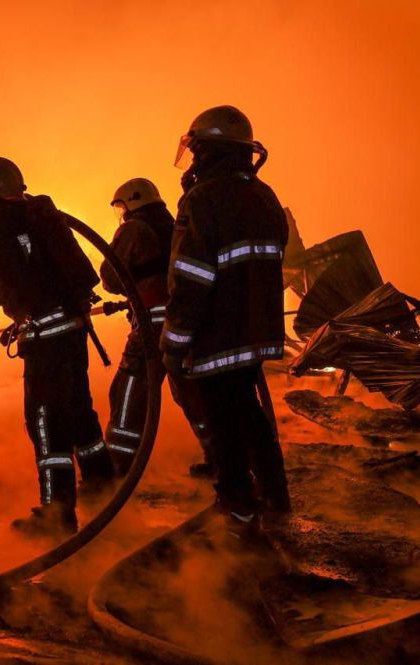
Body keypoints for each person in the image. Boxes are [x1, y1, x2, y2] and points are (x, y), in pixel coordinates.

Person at [0, 156, 116, 537]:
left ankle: (57, 516)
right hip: (72, 328)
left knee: (44, 422)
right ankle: (103, 480)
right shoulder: (40, 214)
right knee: (76, 407)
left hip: (45, 337)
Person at [161, 106, 292, 540]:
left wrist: (175, 341)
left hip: (217, 334)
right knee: (250, 414)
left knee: (223, 426)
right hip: (257, 333)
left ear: (208, 151)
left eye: (196, 151)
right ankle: (276, 495)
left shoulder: (202, 201)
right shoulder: (263, 195)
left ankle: (237, 512)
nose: (193, 160)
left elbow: (191, 279)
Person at [99, 178, 213, 478]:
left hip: (152, 326)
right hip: (185, 323)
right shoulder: (176, 226)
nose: (121, 212)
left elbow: (110, 277)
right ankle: (219, 457)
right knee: (192, 392)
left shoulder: (134, 229)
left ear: (132, 202)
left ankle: (119, 465)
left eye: (122, 206)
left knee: (128, 392)